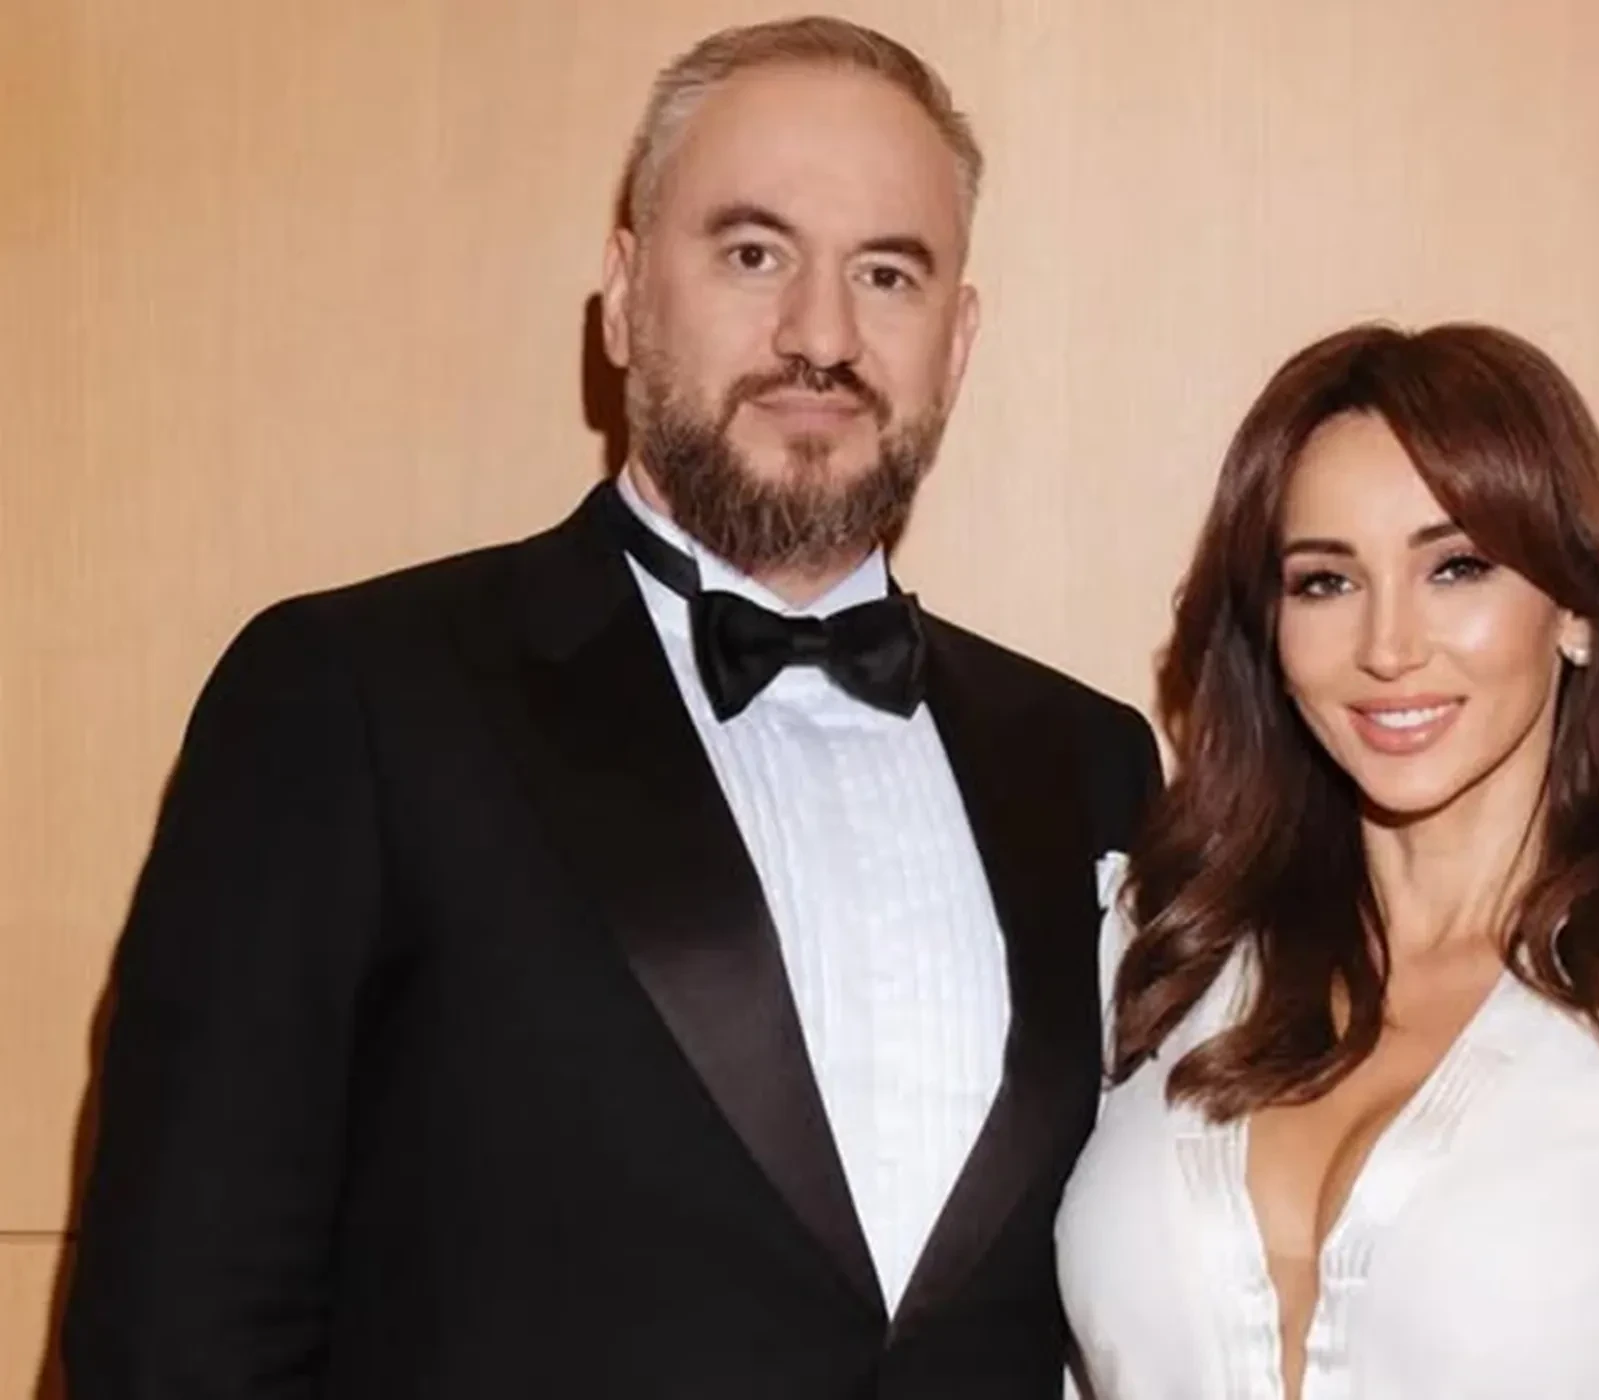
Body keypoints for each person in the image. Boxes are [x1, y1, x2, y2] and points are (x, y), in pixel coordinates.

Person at [63, 16, 1160, 1398]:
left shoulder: (1090, 763)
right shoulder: (351, 699)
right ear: (626, 293)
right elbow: (175, 1334)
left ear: (958, 340)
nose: (820, 336)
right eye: (753, 253)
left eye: (886, 273)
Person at [1057, 323, 1599, 1400]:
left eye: (1456, 567)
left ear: (1575, 609)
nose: (1389, 647)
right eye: (1325, 581)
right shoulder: (1160, 957)